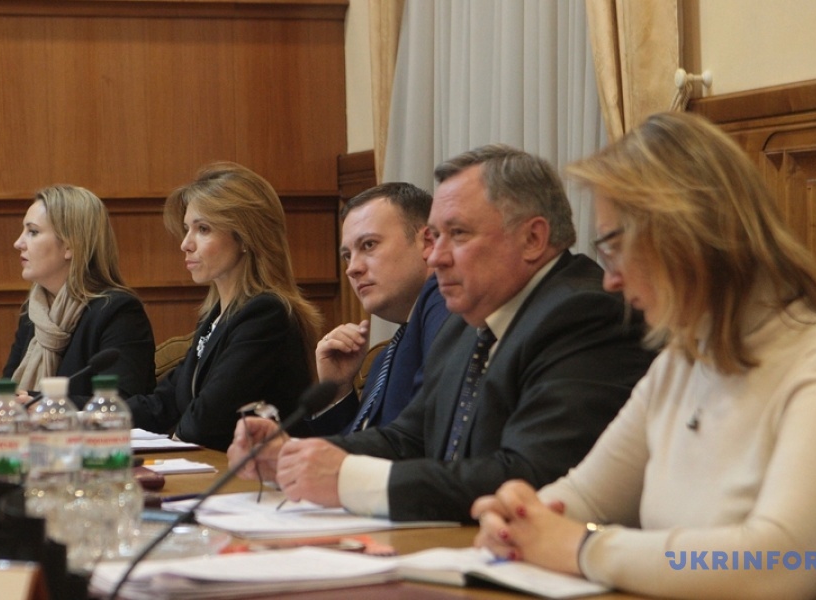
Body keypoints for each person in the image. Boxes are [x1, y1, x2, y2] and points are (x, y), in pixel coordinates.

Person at [471, 113, 816, 599]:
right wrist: (517, 515)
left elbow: (781, 565)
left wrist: (583, 548)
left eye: (613, 248)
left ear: (680, 234)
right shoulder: (679, 364)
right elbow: (584, 496)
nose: (610, 280)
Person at [229, 145, 656, 522]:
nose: (435, 257)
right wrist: (294, 456)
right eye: (434, 237)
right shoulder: (464, 323)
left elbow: (532, 475)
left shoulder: (585, 314)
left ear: (532, 238)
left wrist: (347, 479)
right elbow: (409, 438)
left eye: (458, 234)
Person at [126, 162, 323, 451]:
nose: (185, 244)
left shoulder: (267, 314)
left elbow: (207, 421)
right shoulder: (216, 316)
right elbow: (163, 403)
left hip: (263, 474)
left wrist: (175, 440)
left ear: (244, 237)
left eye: (203, 229)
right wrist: (89, 419)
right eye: (187, 229)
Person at [0, 185, 156, 417]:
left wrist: (37, 403)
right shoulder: (35, 311)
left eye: (33, 232)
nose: (18, 243)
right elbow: (11, 395)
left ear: (70, 246)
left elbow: (121, 404)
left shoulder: (118, 312)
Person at [307, 182, 450, 435]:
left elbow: (411, 444)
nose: (352, 268)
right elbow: (366, 446)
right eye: (347, 255)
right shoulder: (386, 357)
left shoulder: (448, 315)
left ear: (427, 242)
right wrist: (338, 390)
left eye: (368, 245)